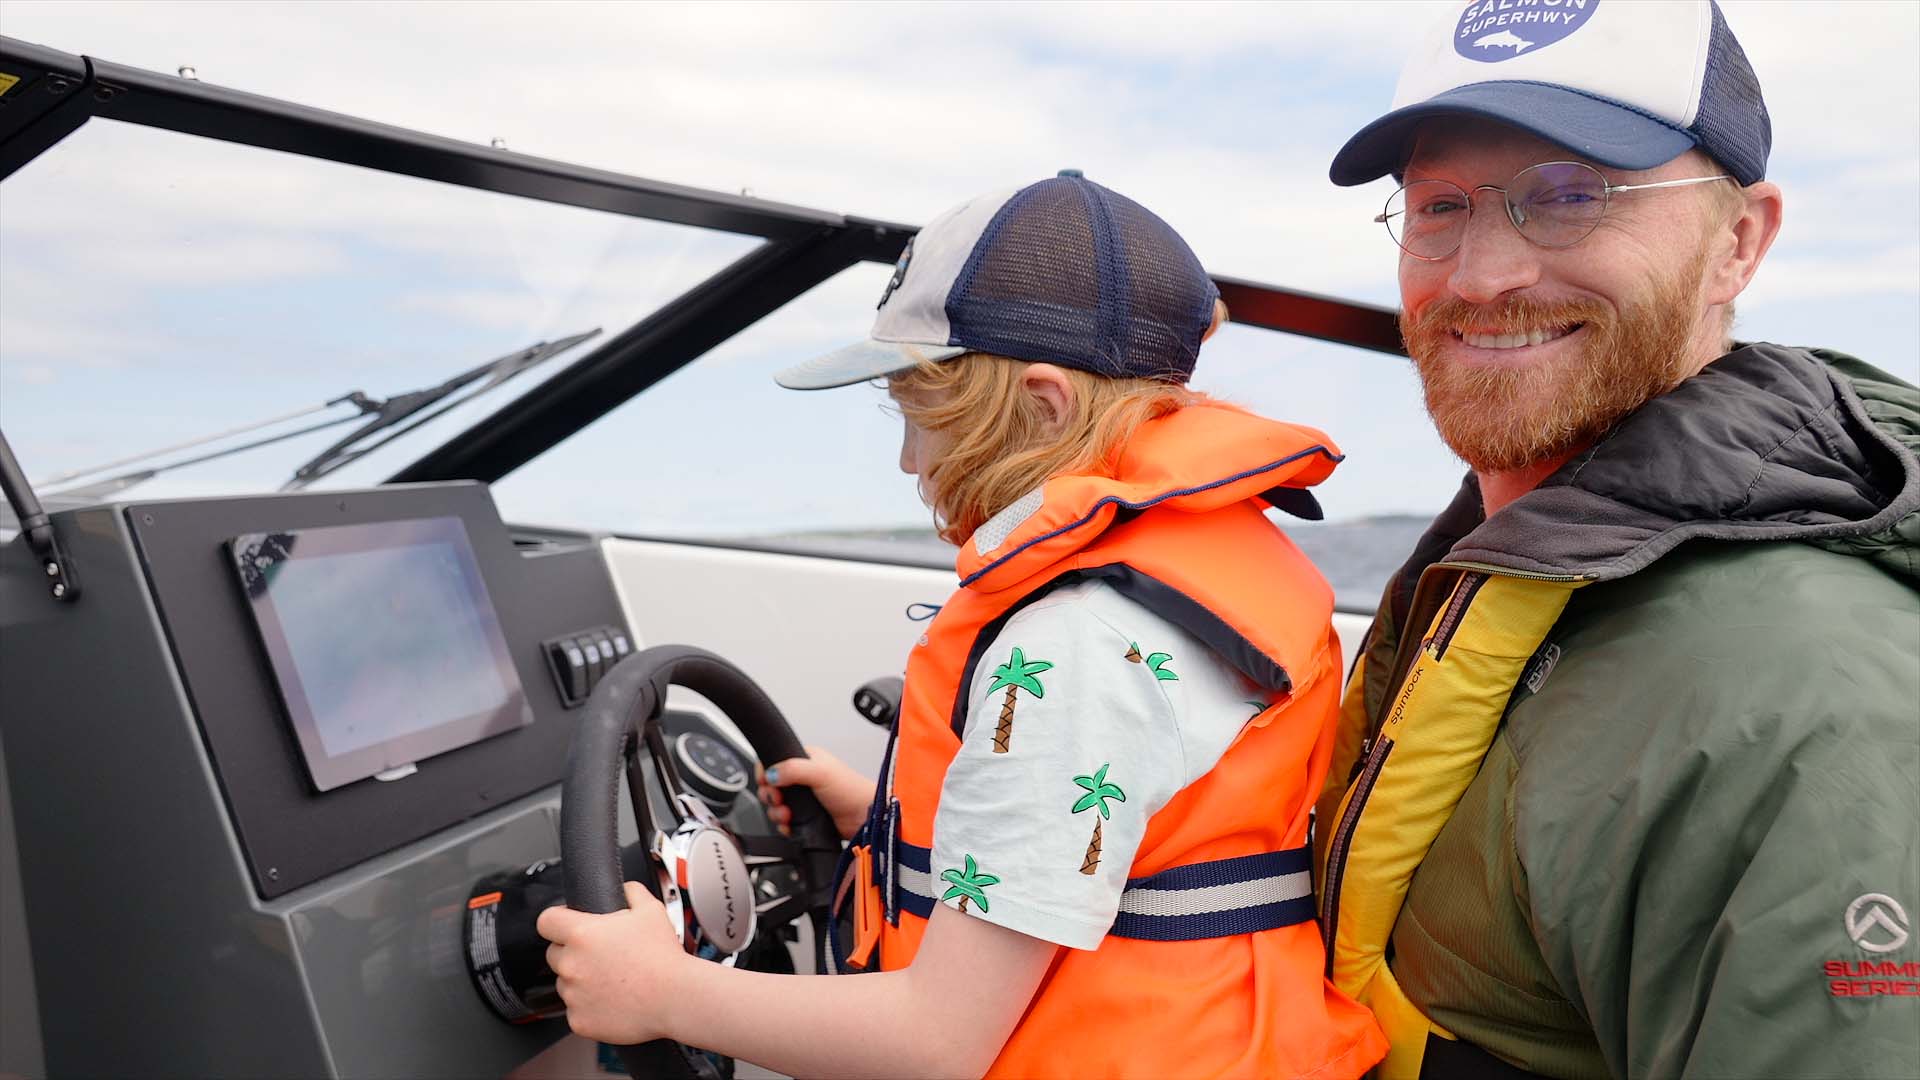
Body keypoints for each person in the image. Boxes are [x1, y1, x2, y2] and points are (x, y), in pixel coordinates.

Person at [538, 173, 1387, 1078]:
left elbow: (935, 1043)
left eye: (922, 419)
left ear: (1043, 404)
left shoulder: (1077, 642)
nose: (910, 461)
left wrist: (658, 991)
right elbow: (1142, 836)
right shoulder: (1197, 573)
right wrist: (885, 819)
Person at [1313, 2, 1920, 1078]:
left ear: (1740, 241)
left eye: (1571, 196)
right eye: (1441, 205)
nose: (1480, 277)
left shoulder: (1799, 703)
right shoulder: (1499, 574)